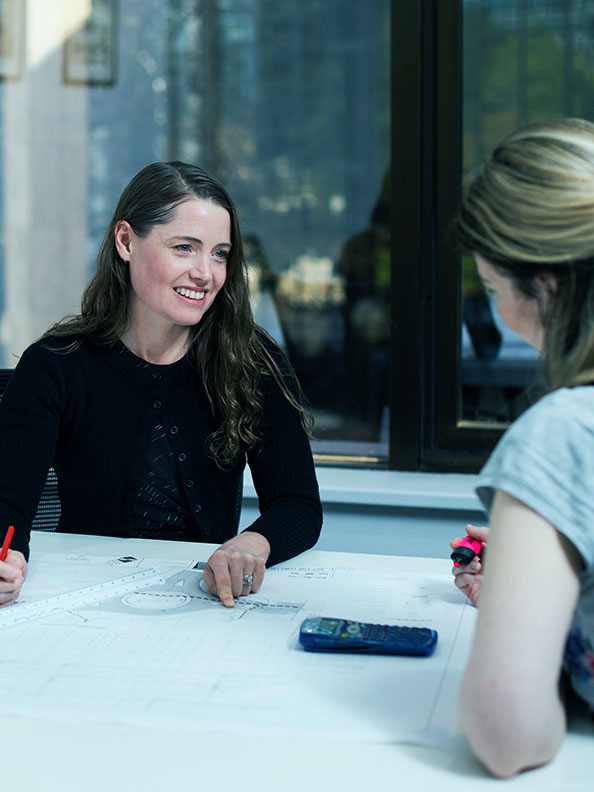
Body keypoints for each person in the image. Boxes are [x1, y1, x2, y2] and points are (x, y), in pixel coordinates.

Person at [0, 161, 322, 609]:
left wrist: (253, 542)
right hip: (82, 601)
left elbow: (297, 504)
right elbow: (6, 506)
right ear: (126, 241)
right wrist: (6, 562)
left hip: (208, 604)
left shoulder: (251, 359)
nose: (206, 273)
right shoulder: (56, 364)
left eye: (219, 253)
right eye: (185, 248)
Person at [450, 118, 594, 778]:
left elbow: (506, 733)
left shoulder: (563, 432)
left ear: (547, 286)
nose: (498, 312)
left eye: (491, 288)